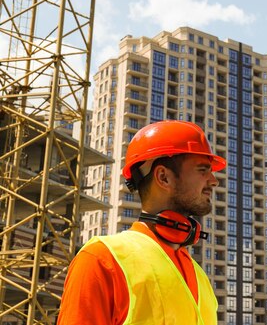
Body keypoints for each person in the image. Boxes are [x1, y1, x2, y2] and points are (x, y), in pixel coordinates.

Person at [58, 120, 226, 325]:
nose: (214, 180)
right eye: (203, 170)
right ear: (164, 177)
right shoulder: (102, 259)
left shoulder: (199, 276)